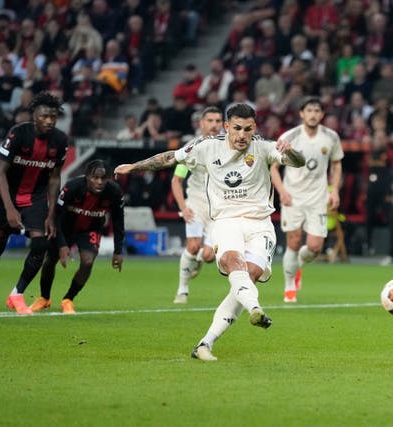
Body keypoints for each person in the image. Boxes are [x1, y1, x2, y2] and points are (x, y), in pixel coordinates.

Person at [114, 103, 305, 361]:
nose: (241, 135)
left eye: (247, 129)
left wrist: (290, 152)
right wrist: (134, 167)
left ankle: (205, 344)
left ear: (254, 129)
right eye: (236, 128)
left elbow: (298, 161)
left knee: (250, 276)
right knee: (232, 262)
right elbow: (171, 158)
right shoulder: (206, 147)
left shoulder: (263, 147)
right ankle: (255, 308)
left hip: (261, 224)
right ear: (227, 127)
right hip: (226, 221)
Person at [0, 92, 69, 314]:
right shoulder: (17, 134)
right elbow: (0, 173)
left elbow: (54, 178)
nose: (49, 120)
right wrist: (9, 209)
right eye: (44, 116)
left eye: (53, 116)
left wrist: (51, 214)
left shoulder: (60, 141)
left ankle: (17, 294)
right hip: (8, 197)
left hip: (36, 198)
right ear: (34, 115)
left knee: (40, 244)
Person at [270, 97, 343, 303]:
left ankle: (298, 265)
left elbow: (336, 165)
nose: (313, 114)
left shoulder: (331, 137)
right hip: (293, 197)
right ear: (301, 113)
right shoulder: (289, 136)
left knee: (314, 247)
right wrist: (282, 191)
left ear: (322, 114)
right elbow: (273, 167)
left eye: (317, 110)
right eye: (309, 110)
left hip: (318, 198)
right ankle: (289, 286)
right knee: (293, 241)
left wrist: (334, 190)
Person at [30, 160, 125, 314]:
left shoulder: (114, 192)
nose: (99, 182)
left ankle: (68, 299)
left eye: (103, 178)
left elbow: (119, 220)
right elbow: (56, 215)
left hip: (90, 229)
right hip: (64, 227)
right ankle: (44, 298)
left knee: (87, 262)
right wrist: (62, 244)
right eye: (95, 177)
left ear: (109, 179)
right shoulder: (72, 187)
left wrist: (118, 250)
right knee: (50, 260)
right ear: (87, 176)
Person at [171, 106, 223, 304]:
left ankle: (198, 261)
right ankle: (182, 290)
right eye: (210, 121)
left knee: (209, 256)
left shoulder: (229, 146)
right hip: (196, 203)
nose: (214, 125)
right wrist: (183, 208)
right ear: (201, 123)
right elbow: (176, 180)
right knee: (192, 246)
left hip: (219, 207)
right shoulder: (190, 149)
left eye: (218, 121)